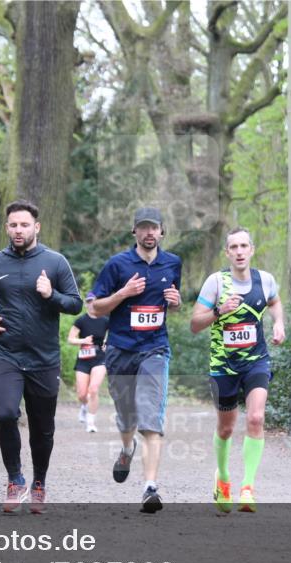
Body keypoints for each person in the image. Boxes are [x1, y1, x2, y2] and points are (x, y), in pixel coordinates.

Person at [0, 200, 82, 514]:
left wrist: (51, 295)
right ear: (7, 228)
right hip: (7, 354)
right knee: (6, 413)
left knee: (42, 427)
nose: (18, 230)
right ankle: (14, 479)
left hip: (44, 359)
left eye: (24, 224)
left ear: (36, 227)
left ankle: (39, 483)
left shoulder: (55, 262)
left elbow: (74, 304)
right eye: (13, 225)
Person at [91, 206, 182, 513]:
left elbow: (172, 302)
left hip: (155, 349)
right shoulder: (117, 265)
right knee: (126, 417)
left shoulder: (173, 263)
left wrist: (177, 302)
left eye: (153, 228)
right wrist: (123, 293)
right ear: (134, 232)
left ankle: (150, 487)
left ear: (161, 232)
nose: (148, 233)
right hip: (119, 350)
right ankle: (127, 447)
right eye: (142, 228)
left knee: (150, 418)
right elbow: (95, 309)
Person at [189, 228, 285, 513]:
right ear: (227, 253)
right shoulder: (216, 283)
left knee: (255, 418)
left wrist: (279, 323)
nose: (240, 251)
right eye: (234, 247)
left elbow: (275, 302)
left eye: (244, 245)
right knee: (226, 427)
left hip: (256, 362)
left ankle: (248, 487)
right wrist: (220, 311)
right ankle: (223, 478)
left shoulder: (264, 280)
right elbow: (195, 325)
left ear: (252, 249)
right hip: (223, 366)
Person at [67, 295, 110, 433]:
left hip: (100, 357)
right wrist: (83, 340)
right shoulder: (81, 321)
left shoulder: (105, 320)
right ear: (86, 305)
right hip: (84, 357)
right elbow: (71, 339)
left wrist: (107, 344)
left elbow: (112, 335)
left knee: (93, 389)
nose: (92, 305)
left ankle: (90, 422)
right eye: (89, 302)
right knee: (82, 394)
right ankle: (84, 407)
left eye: (94, 302)